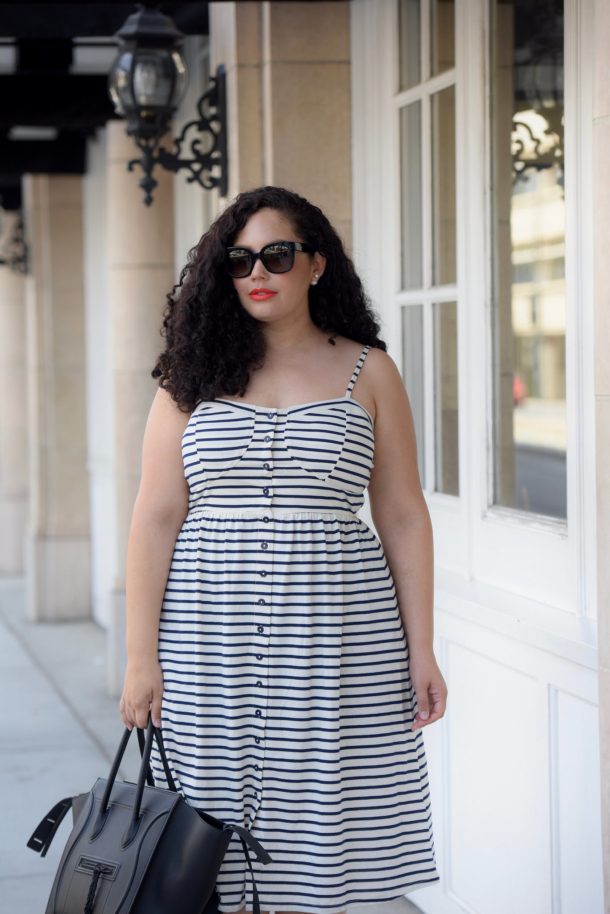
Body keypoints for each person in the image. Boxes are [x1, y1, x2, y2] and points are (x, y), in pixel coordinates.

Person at [120, 186, 447, 914]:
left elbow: (401, 514)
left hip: (340, 634)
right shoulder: (190, 377)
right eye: (239, 260)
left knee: (326, 823)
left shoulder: (370, 371)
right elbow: (155, 516)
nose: (257, 272)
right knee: (203, 834)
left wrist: (422, 649)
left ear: (317, 264)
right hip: (207, 636)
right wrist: (142, 656)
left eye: (276, 254)